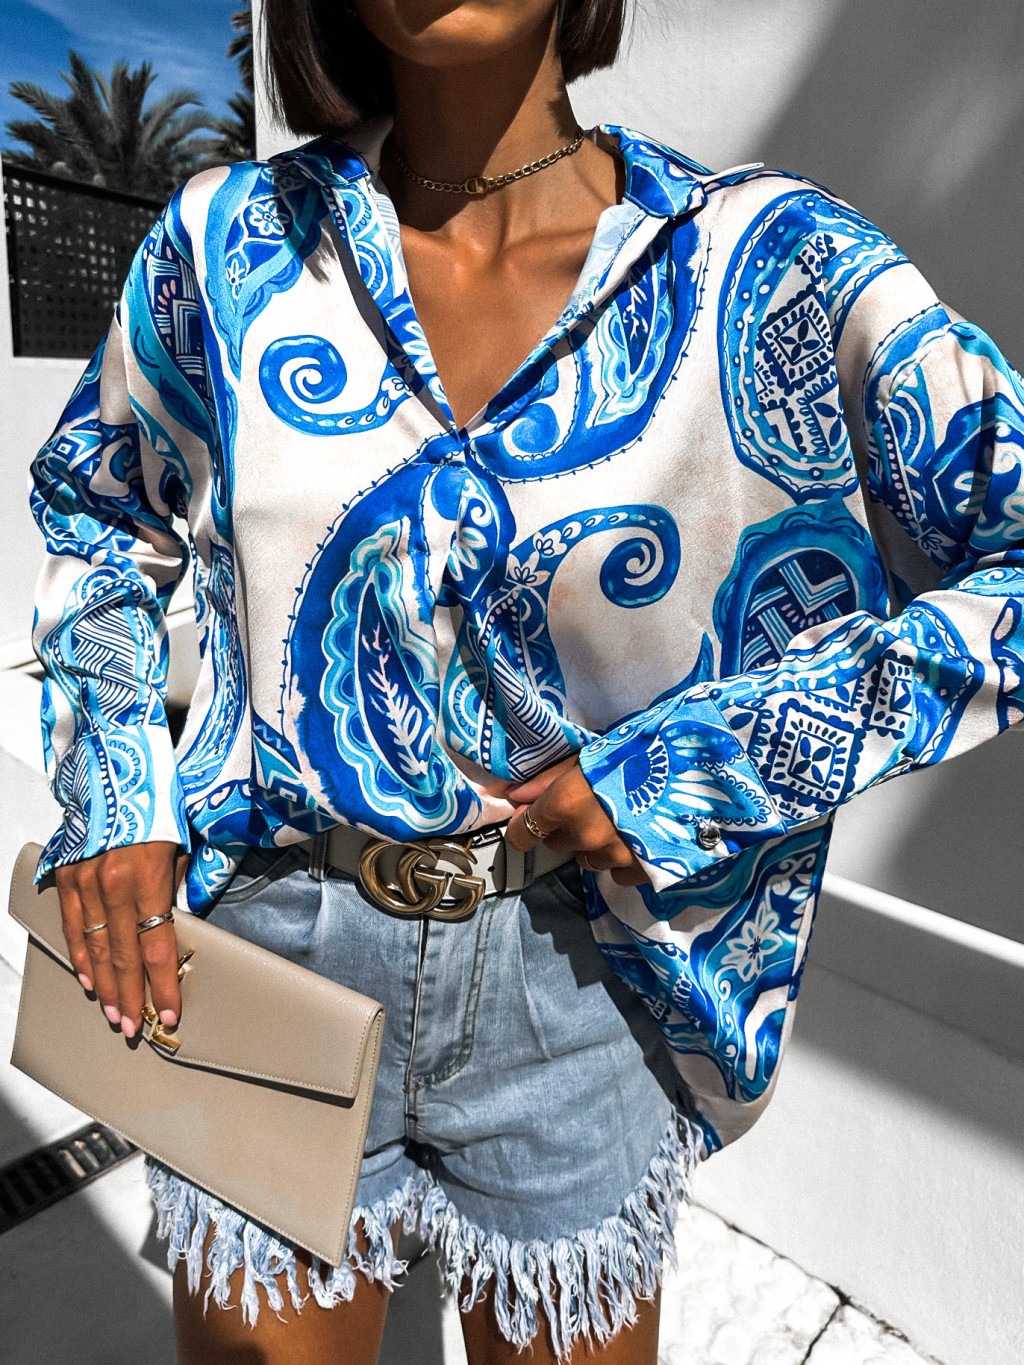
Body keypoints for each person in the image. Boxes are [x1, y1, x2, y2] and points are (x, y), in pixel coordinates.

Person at [29, 0, 1024, 1361]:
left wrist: (701, 769)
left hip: (583, 973)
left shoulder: (769, 265)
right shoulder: (224, 245)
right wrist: (114, 788)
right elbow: (99, 511)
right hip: (269, 941)